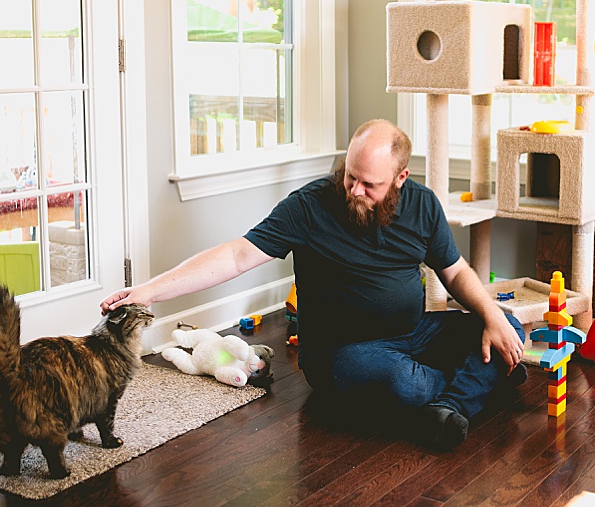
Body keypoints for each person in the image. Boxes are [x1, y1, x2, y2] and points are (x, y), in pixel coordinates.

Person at [100, 119, 526, 451]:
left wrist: (490, 317)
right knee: (404, 382)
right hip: (343, 353)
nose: (355, 190)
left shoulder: (423, 205)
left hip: (415, 333)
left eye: (369, 184)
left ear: (400, 178)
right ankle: (474, 384)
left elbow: (455, 272)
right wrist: (148, 292)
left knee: (508, 326)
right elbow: (236, 255)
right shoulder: (309, 207)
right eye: (350, 176)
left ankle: (449, 406)